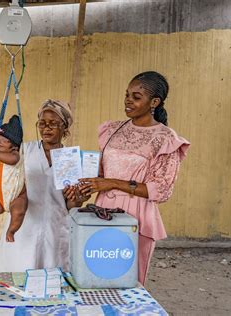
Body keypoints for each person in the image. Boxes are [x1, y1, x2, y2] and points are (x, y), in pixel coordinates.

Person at [68, 71, 190, 285]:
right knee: (97, 276)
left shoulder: (165, 139)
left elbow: (161, 190)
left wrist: (113, 183)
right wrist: (86, 184)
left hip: (137, 217)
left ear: (154, 102)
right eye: (127, 95)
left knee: (128, 282)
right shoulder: (112, 130)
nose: (128, 100)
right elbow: (102, 174)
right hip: (102, 212)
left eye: (136, 96)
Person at [0, 99, 83, 272]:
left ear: (65, 128)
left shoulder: (69, 158)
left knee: (50, 283)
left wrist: (77, 199)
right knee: (18, 279)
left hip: (54, 229)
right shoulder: (24, 151)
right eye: (42, 123)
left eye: (53, 124)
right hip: (23, 227)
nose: (46, 128)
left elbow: (69, 204)